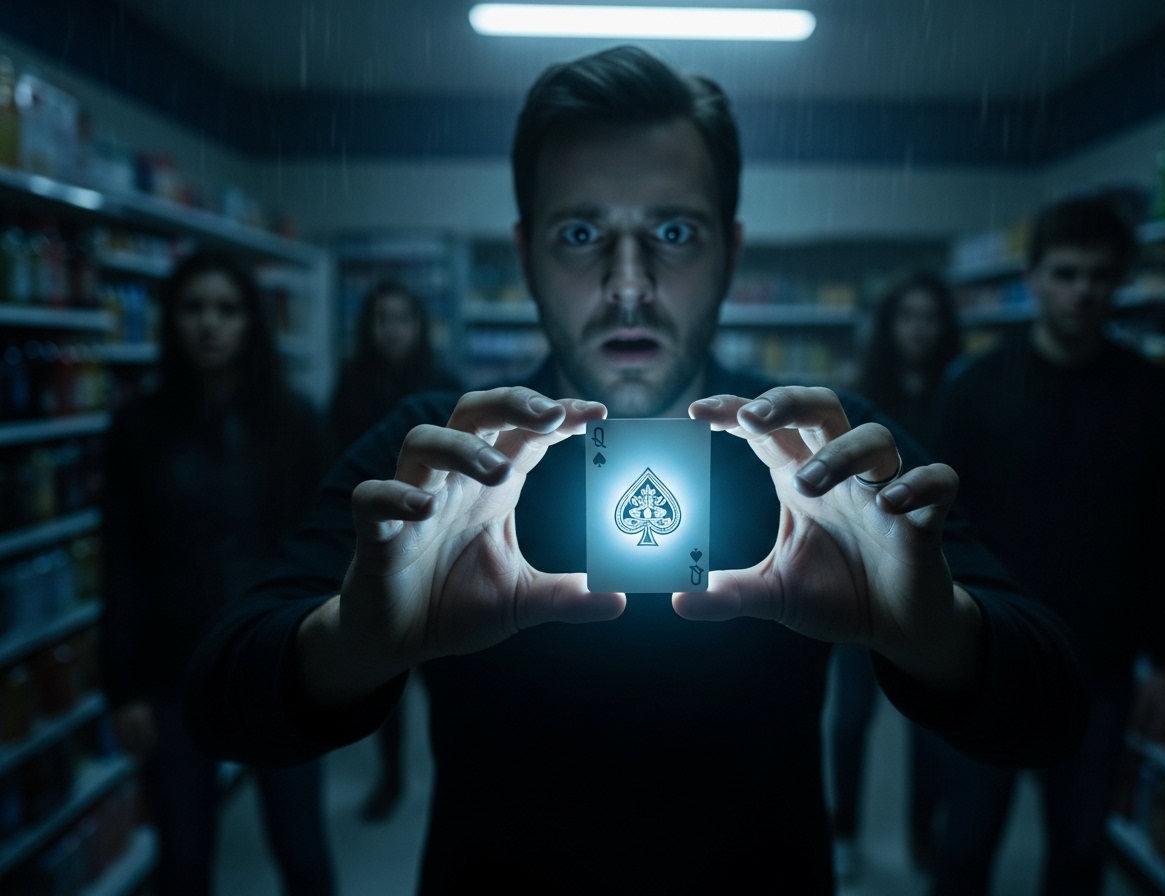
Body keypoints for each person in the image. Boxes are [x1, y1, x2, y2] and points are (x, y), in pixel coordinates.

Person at [183, 47, 1088, 895]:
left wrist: (936, 633)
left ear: (731, 252)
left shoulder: (820, 454)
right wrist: (352, 642)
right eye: (581, 232)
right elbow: (218, 697)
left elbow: (1057, 705)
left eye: (673, 232)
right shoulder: (439, 456)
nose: (627, 283)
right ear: (527, 251)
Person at [928, 197, 1165, 896]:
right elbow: (935, 527)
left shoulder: (1152, 396)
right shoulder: (976, 389)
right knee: (962, 847)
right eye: (1067, 273)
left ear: (1122, 281)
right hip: (987, 652)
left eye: (1100, 276)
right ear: (1035, 277)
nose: (1083, 290)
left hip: (1098, 666)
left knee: (1079, 856)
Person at [102, 252, 337, 896]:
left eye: (226, 309)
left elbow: (319, 548)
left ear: (250, 324)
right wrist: (121, 688)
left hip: (275, 663)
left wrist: (330, 659)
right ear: (171, 319)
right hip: (173, 668)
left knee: (302, 848)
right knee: (183, 859)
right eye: (193, 308)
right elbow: (121, 561)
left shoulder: (294, 422)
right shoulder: (136, 429)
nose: (209, 324)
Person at [828, 273, 961, 878]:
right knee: (851, 713)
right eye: (907, 316)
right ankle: (846, 831)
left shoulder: (961, 394)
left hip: (939, 578)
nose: (918, 329)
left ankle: (924, 840)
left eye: (929, 317)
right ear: (889, 325)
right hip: (868, 579)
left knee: (932, 728)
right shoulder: (861, 397)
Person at [330, 280, 456, 821]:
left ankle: (452, 772)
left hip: (438, 546)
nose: (393, 330)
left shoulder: (444, 387)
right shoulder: (350, 389)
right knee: (384, 672)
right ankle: (392, 776)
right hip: (375, 548)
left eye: (402, 318)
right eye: (382, 318)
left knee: (446, 673)